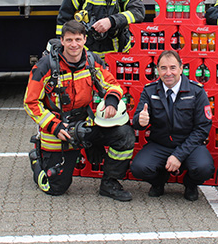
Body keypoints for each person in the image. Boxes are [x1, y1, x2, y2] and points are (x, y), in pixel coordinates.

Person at [24, 19, 136, 201]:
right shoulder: (44, 67)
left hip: (86, 124)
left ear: (84, 39)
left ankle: (110, 183)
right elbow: (31, 103)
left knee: (125, 134)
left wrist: (111, 101)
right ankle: (37, 159)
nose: (74, 44)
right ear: (62, 41)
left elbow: (113, 84)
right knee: (56, 187)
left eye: (77, 39)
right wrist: (55, 127)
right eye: (69, 40)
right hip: (59, 129)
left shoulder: (92, 61)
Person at [130, 50, 215, 201]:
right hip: (160, 144)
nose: (168, 73)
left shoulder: (196, 91)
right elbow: (138, 121)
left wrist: (178, 155)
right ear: (158, 70)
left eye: (173, 68)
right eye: (163, 68)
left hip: (190, 145)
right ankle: (159, 182)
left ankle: (190, 184)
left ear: (181, 69)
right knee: (139, 168)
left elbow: (203, 128)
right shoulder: (149, 91)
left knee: (204, 168)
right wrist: (139, 121)